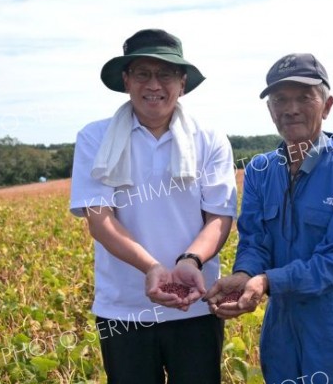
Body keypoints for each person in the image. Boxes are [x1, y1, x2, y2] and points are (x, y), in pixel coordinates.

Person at [205, 53, 333, 384]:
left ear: (327, 105)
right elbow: (254, 240)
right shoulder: (261, 171)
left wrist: (267, 282)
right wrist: (245, 273)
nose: (291, 108)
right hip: (282, 334)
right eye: (280, 99)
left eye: (304, 97)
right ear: (270, 109)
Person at [70, 28, 237, 384]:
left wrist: (189, 262)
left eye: (165, 74)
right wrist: (151, 267)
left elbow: (219, 217)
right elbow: (100, 221)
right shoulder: (95, 138)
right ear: (126, 80)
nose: (154, 84)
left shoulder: (209, 138)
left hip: (195, 304)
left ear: (183, 82)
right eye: (142, 73)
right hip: (123, 309)